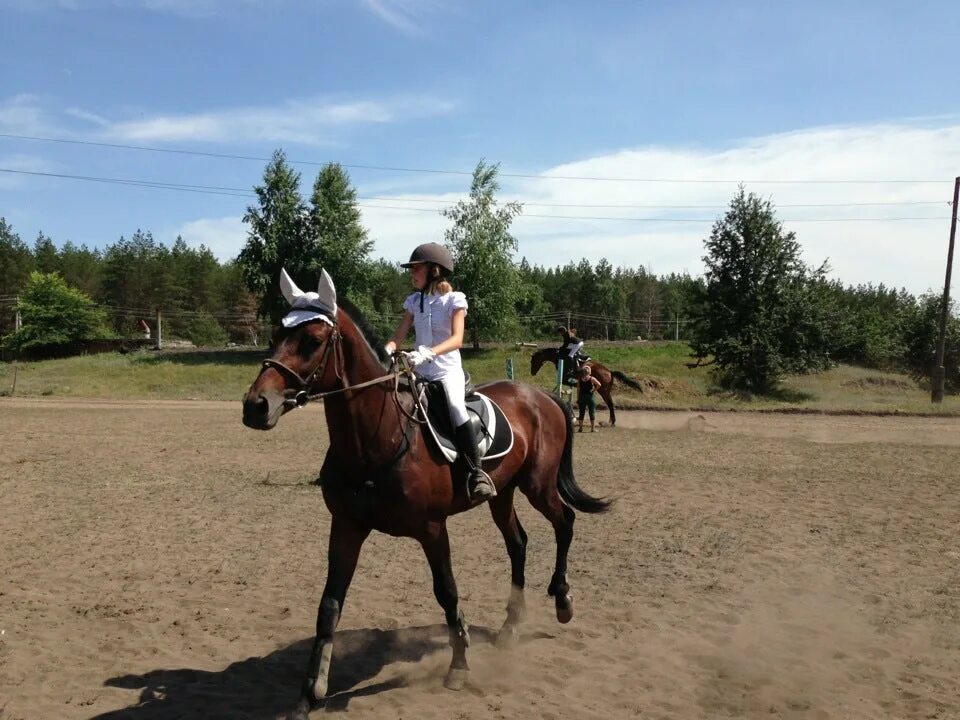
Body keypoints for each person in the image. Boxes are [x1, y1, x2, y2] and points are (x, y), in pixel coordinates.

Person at [385, 242, 497, 503]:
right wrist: (387, 349)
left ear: (434, 271)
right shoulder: (413, 302)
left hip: (447, 372)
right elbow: (399, 336)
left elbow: (457, 339)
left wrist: (428, 352)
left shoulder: (453, 300)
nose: (412, 273)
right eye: (411, 269)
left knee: (457, 409)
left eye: (416, 268)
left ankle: (477, 473)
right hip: (419, 372)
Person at [576, 364, 601, 433]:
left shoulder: (580, 379)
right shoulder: (592, 378)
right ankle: (592, 428)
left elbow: (578, 389)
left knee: (581, 412)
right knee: (591, 412)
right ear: (589, 372)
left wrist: (578, 398)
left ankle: (580, 428)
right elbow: (599, 384)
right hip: (590, 397)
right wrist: (594, 390)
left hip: (582, 396)